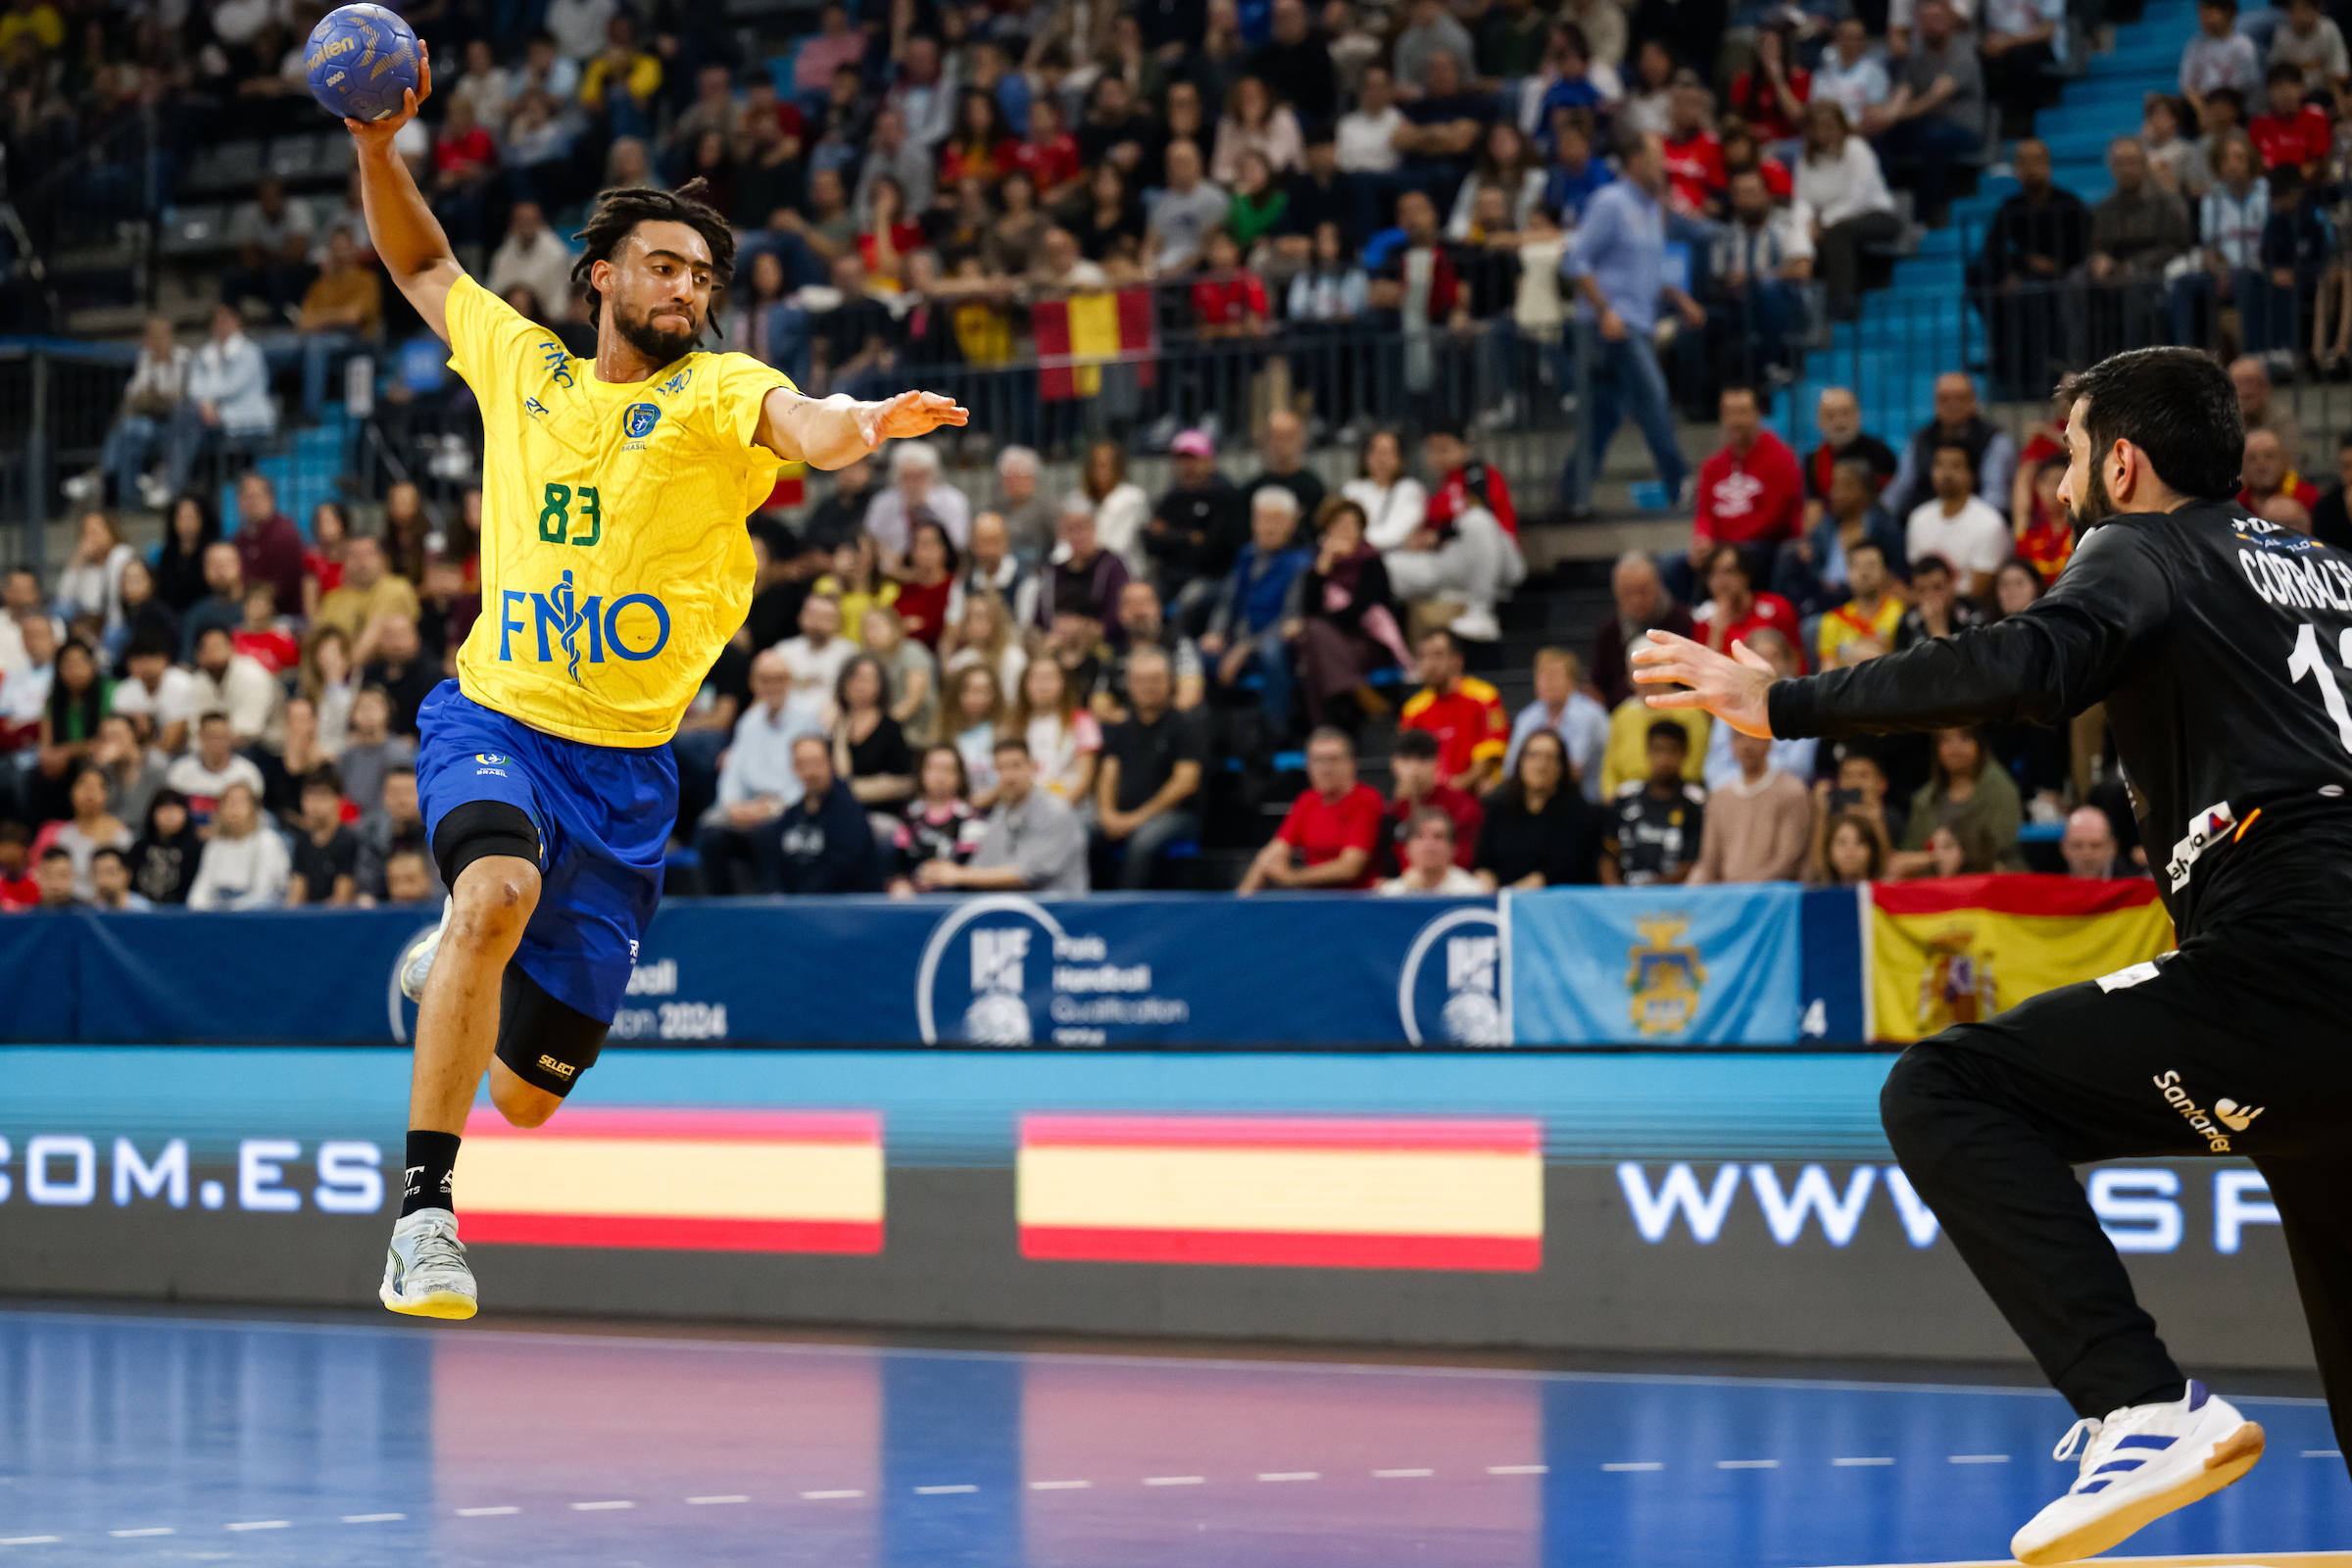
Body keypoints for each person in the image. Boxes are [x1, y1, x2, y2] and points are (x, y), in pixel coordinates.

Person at [1633, 353, 2325, 1559]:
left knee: (1946, 1087)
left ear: (2121, 461)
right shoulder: (2330, 570)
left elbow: (2026, 663)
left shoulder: (2145, 546)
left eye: (2067, 454)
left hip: (2294, 957)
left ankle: (2140, 1405)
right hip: (2314, 998)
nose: (2059, 484)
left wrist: (1783, 701)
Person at [345, 63, 966, 1320]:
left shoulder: (716, 396)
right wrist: (376, 146)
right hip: (498, 721)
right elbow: (421, 270)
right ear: (604, 278)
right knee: (499, 887)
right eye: (666, 266)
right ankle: (422, 1218)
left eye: (703, 275)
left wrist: (862, 421)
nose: (688, 288)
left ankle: (454, 956)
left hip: (627, 776)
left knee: (526, 1096)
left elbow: (803, 421)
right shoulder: (526, 372)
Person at [1564, 133, 1703, 515]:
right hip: (1612, 324)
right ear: (1637, 162)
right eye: (1658, 159)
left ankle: (1572, 493)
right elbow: (1577, 260)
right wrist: (1605, 310)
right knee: (1654, 397)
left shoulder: (1652, 207)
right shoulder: (1611, 202)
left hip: (1640, 321)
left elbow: (1646, 268)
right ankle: (1681, 486)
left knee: (1606, 414)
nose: (1664, 167)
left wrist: (1679, 299)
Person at [1092, 647, 1207, 889]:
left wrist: (1136, 819)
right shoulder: (1121, 726)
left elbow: (1185, 782)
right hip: (1127, 814)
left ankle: (1128, 913)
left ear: (1170, 682)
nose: (1147, 686)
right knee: (1082, 833)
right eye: (1140, 680)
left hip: (1177, 816)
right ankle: (1082, 910)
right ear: (1129, 684)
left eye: (1154, 679)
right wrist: (1106, 814)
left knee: (1144, 841)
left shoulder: (1186, 724)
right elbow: (1108, 772)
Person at [1288, 498, 1406, 732]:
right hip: (1330, 645)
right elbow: (1309, 608)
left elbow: (1358, 612)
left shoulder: (1371, 561)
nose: (1347, 531)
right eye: (1340, 524)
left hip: (1367, 641)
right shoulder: (1316, 563)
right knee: (1315, 641)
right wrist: (1323, 566)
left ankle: (1324, 730)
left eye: (1354, 525)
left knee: (1314, 637)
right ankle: (1358, 694)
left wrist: (1323, 623)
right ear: (1328, 528)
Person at [917, 736, 1089, 893]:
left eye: (1016, 766)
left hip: (1060, 911)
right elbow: (981, 866)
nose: (1009, 775)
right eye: (1001, 768)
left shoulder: (1055, 811)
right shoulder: (1000, 813)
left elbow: (1029, 873)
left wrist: (959, 874)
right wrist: (941, 871)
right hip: (1015, 910)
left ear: (1033, 766)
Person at [1868, 0, 1984, 226]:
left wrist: (1891, 116)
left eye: (1937, 19)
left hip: (1963, 129)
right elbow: (1903, 91)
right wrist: (1885, 117)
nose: (1932, 25)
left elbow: (1933, 99)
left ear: (1949, 22)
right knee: (1881, 137)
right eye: (1927, 20)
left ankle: (1925, 216)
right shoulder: (1916, 58)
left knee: (1935, 139)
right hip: (1926, 127)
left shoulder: (1962, 54)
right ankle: (1883, 204)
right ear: (1919, 26)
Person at [1238, 726, 1383, 893]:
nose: (1325, 769)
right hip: (1313, 903)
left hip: (1356, 903)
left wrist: (1292, 878)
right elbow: (1272, 854)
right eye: (1318, 760)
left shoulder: (1366, 800)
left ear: (1351, 764)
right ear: (1308, 766)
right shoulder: (1307, 801)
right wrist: (1237, 907)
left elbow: (1349, 867)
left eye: (1333, 759)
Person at [164, 304, 274, 497]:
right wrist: (206, 404)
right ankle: (178, 483)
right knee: (181, 413)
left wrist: (207, 401)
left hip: (245, 416)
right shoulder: (205, 353)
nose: (220, 325)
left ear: (237, 321)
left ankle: (175, 485)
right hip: (211, 418)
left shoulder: (249, 351)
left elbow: (233, 385)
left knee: (186, 415)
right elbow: (193, 386)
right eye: (216, 321)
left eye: (225, 320)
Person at [82, 318, 189, 513]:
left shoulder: (183, 358)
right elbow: (133, 396)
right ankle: (129, 501)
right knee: (128, 430)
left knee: (129, 427)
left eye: (161, 337)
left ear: (170, 337)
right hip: (149, 421)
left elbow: (180, 399)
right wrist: (154, 398)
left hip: (175, 426)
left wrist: (155, 398)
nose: (156, 342)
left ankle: (101, 472)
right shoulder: (146, 358)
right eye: (152, 338)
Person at [1886, 372, 2019, 523]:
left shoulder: (1994, 440)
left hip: (1975, 522)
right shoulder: (1920, 439)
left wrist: (1961, 523)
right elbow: (1900, 488)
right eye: (1945, 399)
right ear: (1935, 403)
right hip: (1927, 520)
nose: (1953, 405)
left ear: (1973, 400)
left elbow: (1995, 496)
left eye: (1960, 398)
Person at [1690, 728, 1810, 882]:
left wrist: (1740, 889)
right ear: (1731, 743)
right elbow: (1709, 862)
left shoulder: (1792, 792)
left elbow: (1789, 860)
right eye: (1739, 737)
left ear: (1769, 741)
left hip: (1775, 897)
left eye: (1755, 737)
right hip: (1727, 897)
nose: (1747, 745)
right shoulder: (1719, 798)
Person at [1398, 628, 1509, 795]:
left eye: (1437, 655)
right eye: (1423, 656)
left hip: (1473, 792)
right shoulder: (1412, 710)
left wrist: (1449, 792)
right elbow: (1406, 764)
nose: (1430, 663)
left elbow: (1487, 761)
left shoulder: (1485, 697)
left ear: (1458, 660)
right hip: (1430, 796)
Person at [773, 732, 885, 894]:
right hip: (797, 908)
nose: (811, 772)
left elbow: (841, 868)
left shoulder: (849, 810)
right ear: (794, 768)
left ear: (830, 763)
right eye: (803, 764)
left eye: (816, 762)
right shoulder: (790, 816)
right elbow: (779, 868)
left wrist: (800, 900)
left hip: (845, 907)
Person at [1600, 718, 1705, 884]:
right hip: (1624, 896)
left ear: (1685, 754)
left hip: (1675, 899)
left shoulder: (1696, 802)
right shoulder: (1625, 797)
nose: (1665, 759)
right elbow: (1606, 853)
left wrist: (1656, 888)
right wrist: (1614, 891)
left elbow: (1697, 860)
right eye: (1658, 750)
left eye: (1672, 751)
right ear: (1647, 752)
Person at [1593, 551, 1696, 710]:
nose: (1636, 600)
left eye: (1643, 591)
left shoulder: (1683, 621)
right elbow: (1598, 687)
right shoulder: (1609, 630)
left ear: (1659, 586)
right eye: (1627, 592)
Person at [1907, 442, 2013, 597]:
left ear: (1972, 474)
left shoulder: (1989, 523)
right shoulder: (1918, 519)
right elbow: (1917, 579)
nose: (1946, 473)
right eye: (1940, 465)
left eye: (1956, 466)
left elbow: (1980, 593)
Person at [1505, 647, 1610, 802]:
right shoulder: (1527, 717)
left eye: (1554, 675)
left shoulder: (1590, 715)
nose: (1547, 681)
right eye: (1542, 675)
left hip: (1587, 801)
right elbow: (1511, 768)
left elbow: (1573, 772)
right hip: (1538, 800)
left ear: (1572, 681)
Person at [185, 781, 290, 910]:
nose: (234, 807)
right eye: (229, 802)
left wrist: (229, 911)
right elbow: (200, 890)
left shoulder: (267, 841)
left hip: (256, 916)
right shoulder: (215, 845)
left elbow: (263, 892)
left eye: (240, 801)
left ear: (253, 807)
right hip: (220, 911)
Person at [1379, 808, 1485, 894]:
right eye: (1420, 836)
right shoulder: (1389, 896)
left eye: (1438, 837)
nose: (1429, 845)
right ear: (1407, 848)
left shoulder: (1472, 893)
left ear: (1453, 848)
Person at [125, 789, 201, 906]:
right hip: (141, 912)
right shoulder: (139, 848)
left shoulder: (197, 850)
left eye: (176, 808)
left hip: (182, 913)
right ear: (153, 813)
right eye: (164, 808)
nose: (170, 814)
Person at [2059, 802, 2137, 879]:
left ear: (2113, 847)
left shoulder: (2136, 887)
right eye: (2078, 846)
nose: (2087, 855)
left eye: (2095, 846)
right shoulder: (2052, 888)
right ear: (2063, 848)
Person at [87, 845, 151, 912]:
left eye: (110, 872)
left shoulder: (145, 910)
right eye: (97, 873)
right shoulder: (88, 912)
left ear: (127, 874)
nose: (104, 880)